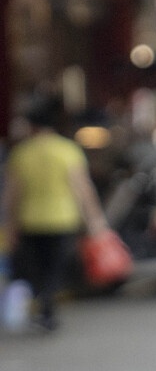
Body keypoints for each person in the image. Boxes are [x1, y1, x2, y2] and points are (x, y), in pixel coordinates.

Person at [2, 94, 108, 331]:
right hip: (62, 219)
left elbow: (12, 195)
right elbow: (83, 189)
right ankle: (47, 308)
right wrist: (96, 222)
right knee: (55, 268)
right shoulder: (67, 150)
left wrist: (10, 226)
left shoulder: (21, 153)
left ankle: (43, 306)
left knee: (36, 269)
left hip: (30, 221)